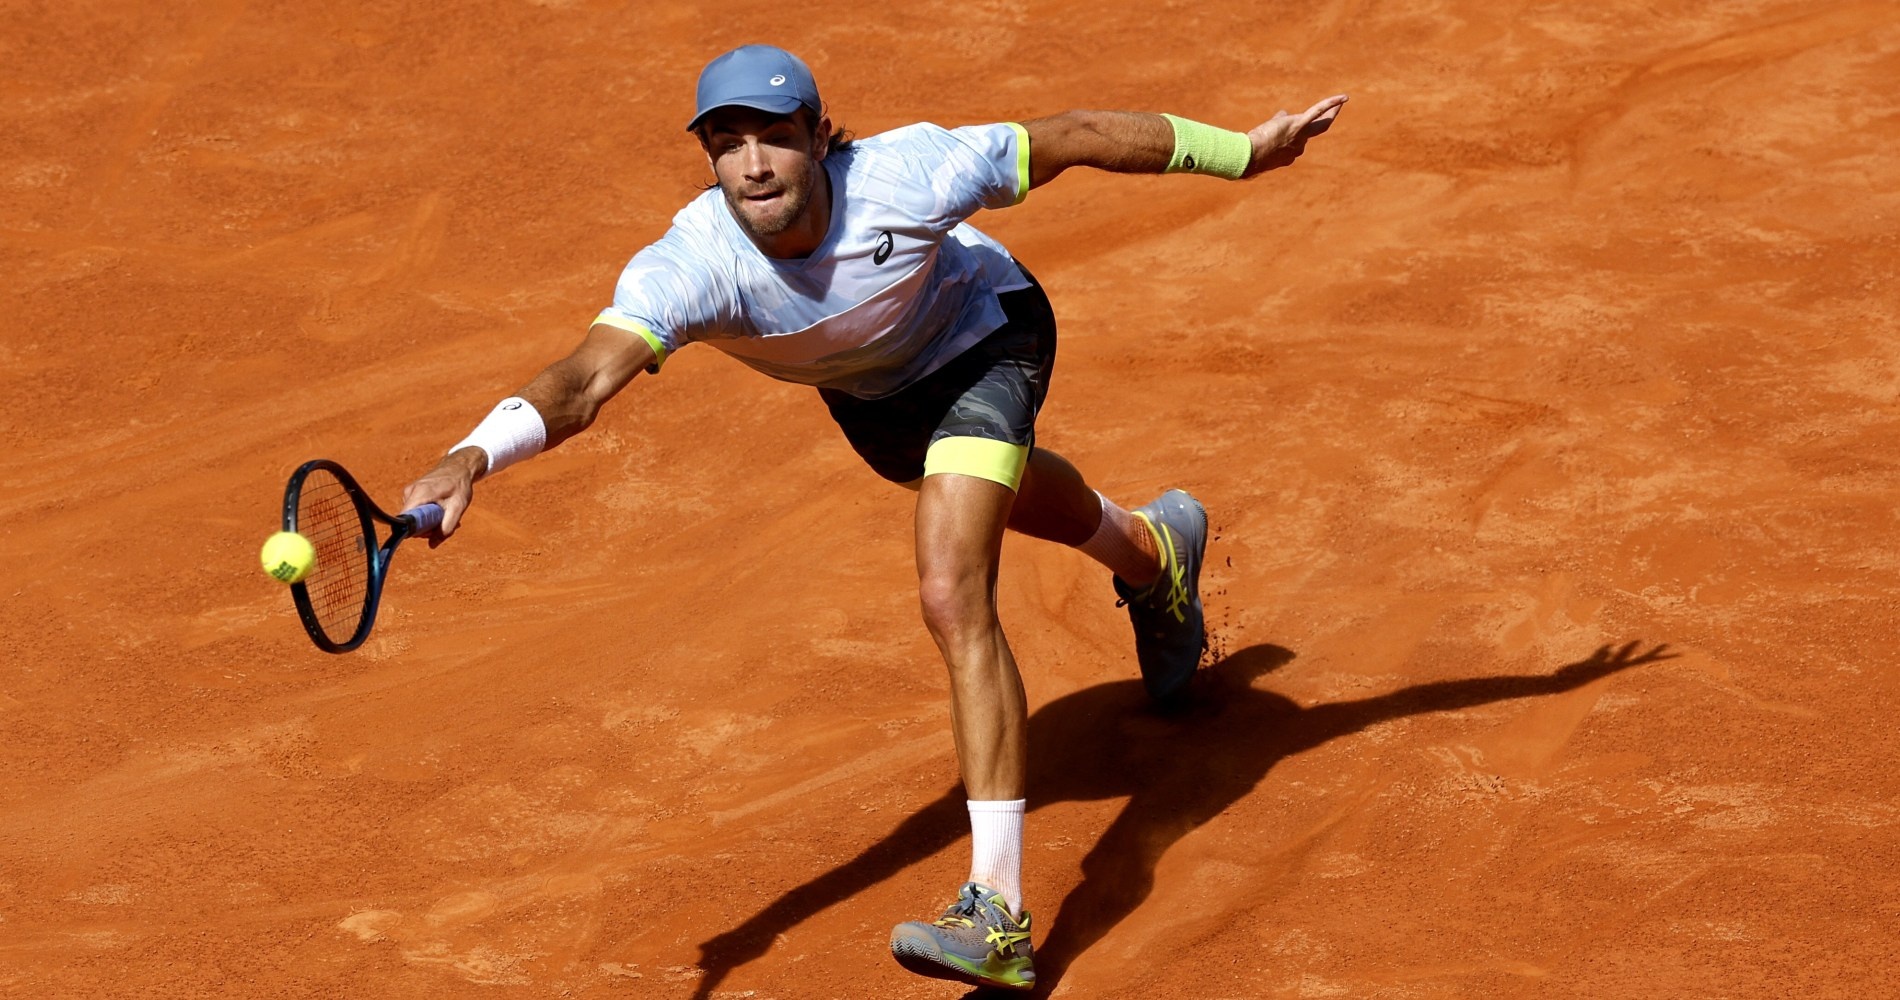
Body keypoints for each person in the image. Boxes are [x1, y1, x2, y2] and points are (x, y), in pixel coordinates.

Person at [400, 43, 1346, 992]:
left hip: (986, 338)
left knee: (949, 585)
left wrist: (1242, 153)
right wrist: (472, 455)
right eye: (728, 145)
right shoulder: (692, 263)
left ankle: (998, 910)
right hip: (872, 402)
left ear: (820, 135)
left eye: (775, 138)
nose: (754, 165)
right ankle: (1150, 554)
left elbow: (1075, 137)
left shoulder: (905, 173)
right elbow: (583, 379)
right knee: (994, 495)